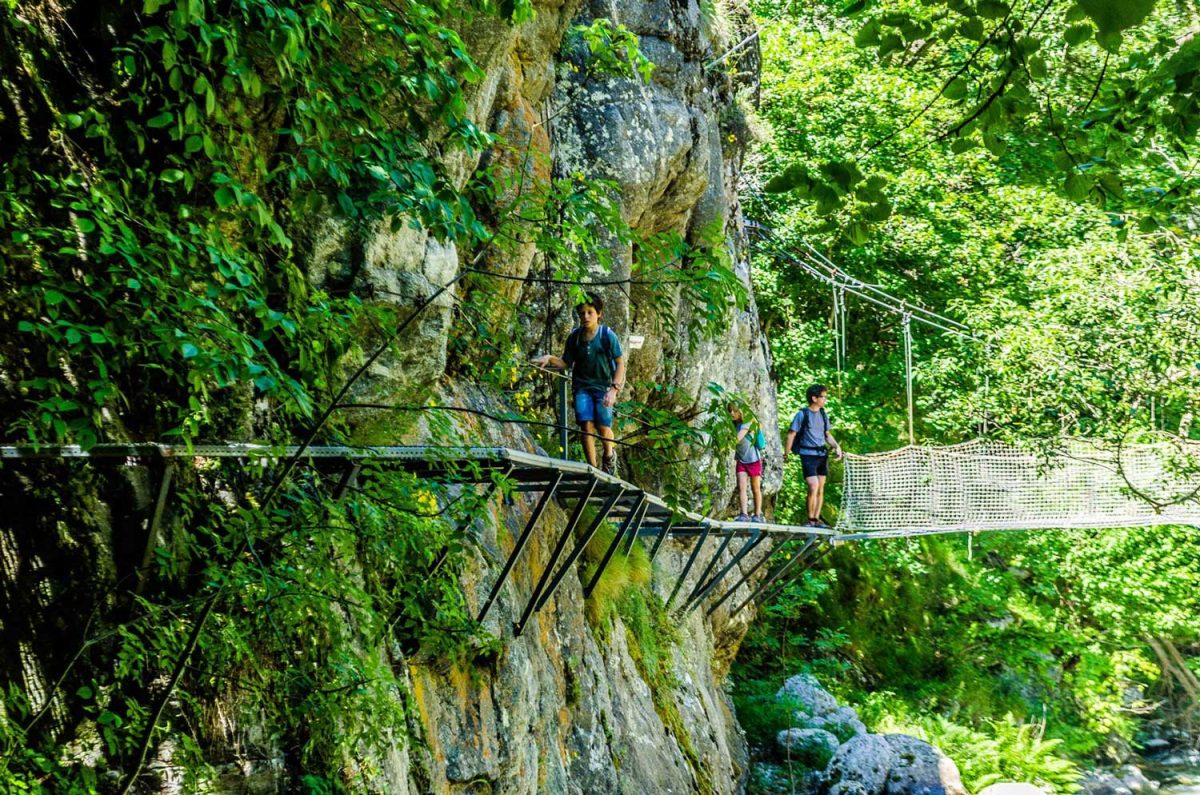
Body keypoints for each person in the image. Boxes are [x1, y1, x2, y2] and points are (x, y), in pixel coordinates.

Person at [532, 292, 625, 476]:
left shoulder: (607, 336)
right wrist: (550, 358)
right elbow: (566, 362)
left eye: (590, 312)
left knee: (603, 426)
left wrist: (613, 389)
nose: (586, 317)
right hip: (582, 387)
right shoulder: (574, 337)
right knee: (586, 425)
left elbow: (620, 362)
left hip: (604, 387)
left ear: (599, 313)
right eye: (582, 313)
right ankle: (594, 470)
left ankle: (609, 455)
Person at [784, 384, 843, 528]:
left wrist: (837, 447)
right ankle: (810, 519)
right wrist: (786, 453)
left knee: (821, 487)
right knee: (813, 485)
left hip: (822, 455)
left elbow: (827, 435)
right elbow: (792, 434)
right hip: (807, 455)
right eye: (823, 397)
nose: (825, 400)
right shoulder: (802, 414)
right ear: (814, 398)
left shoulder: (823, 414)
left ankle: (816, 520)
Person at [729, 404, 765, 522]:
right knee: (741, 487)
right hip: (741, 459)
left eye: (734, 411)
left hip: (753, 459)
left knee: (755, 488)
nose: (732, 414)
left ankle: (757, 515)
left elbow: (737, 438)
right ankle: (743, 514)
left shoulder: (748, 422)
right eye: (730, 411)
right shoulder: (733, 424)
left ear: (740, 411)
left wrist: (724, 444)